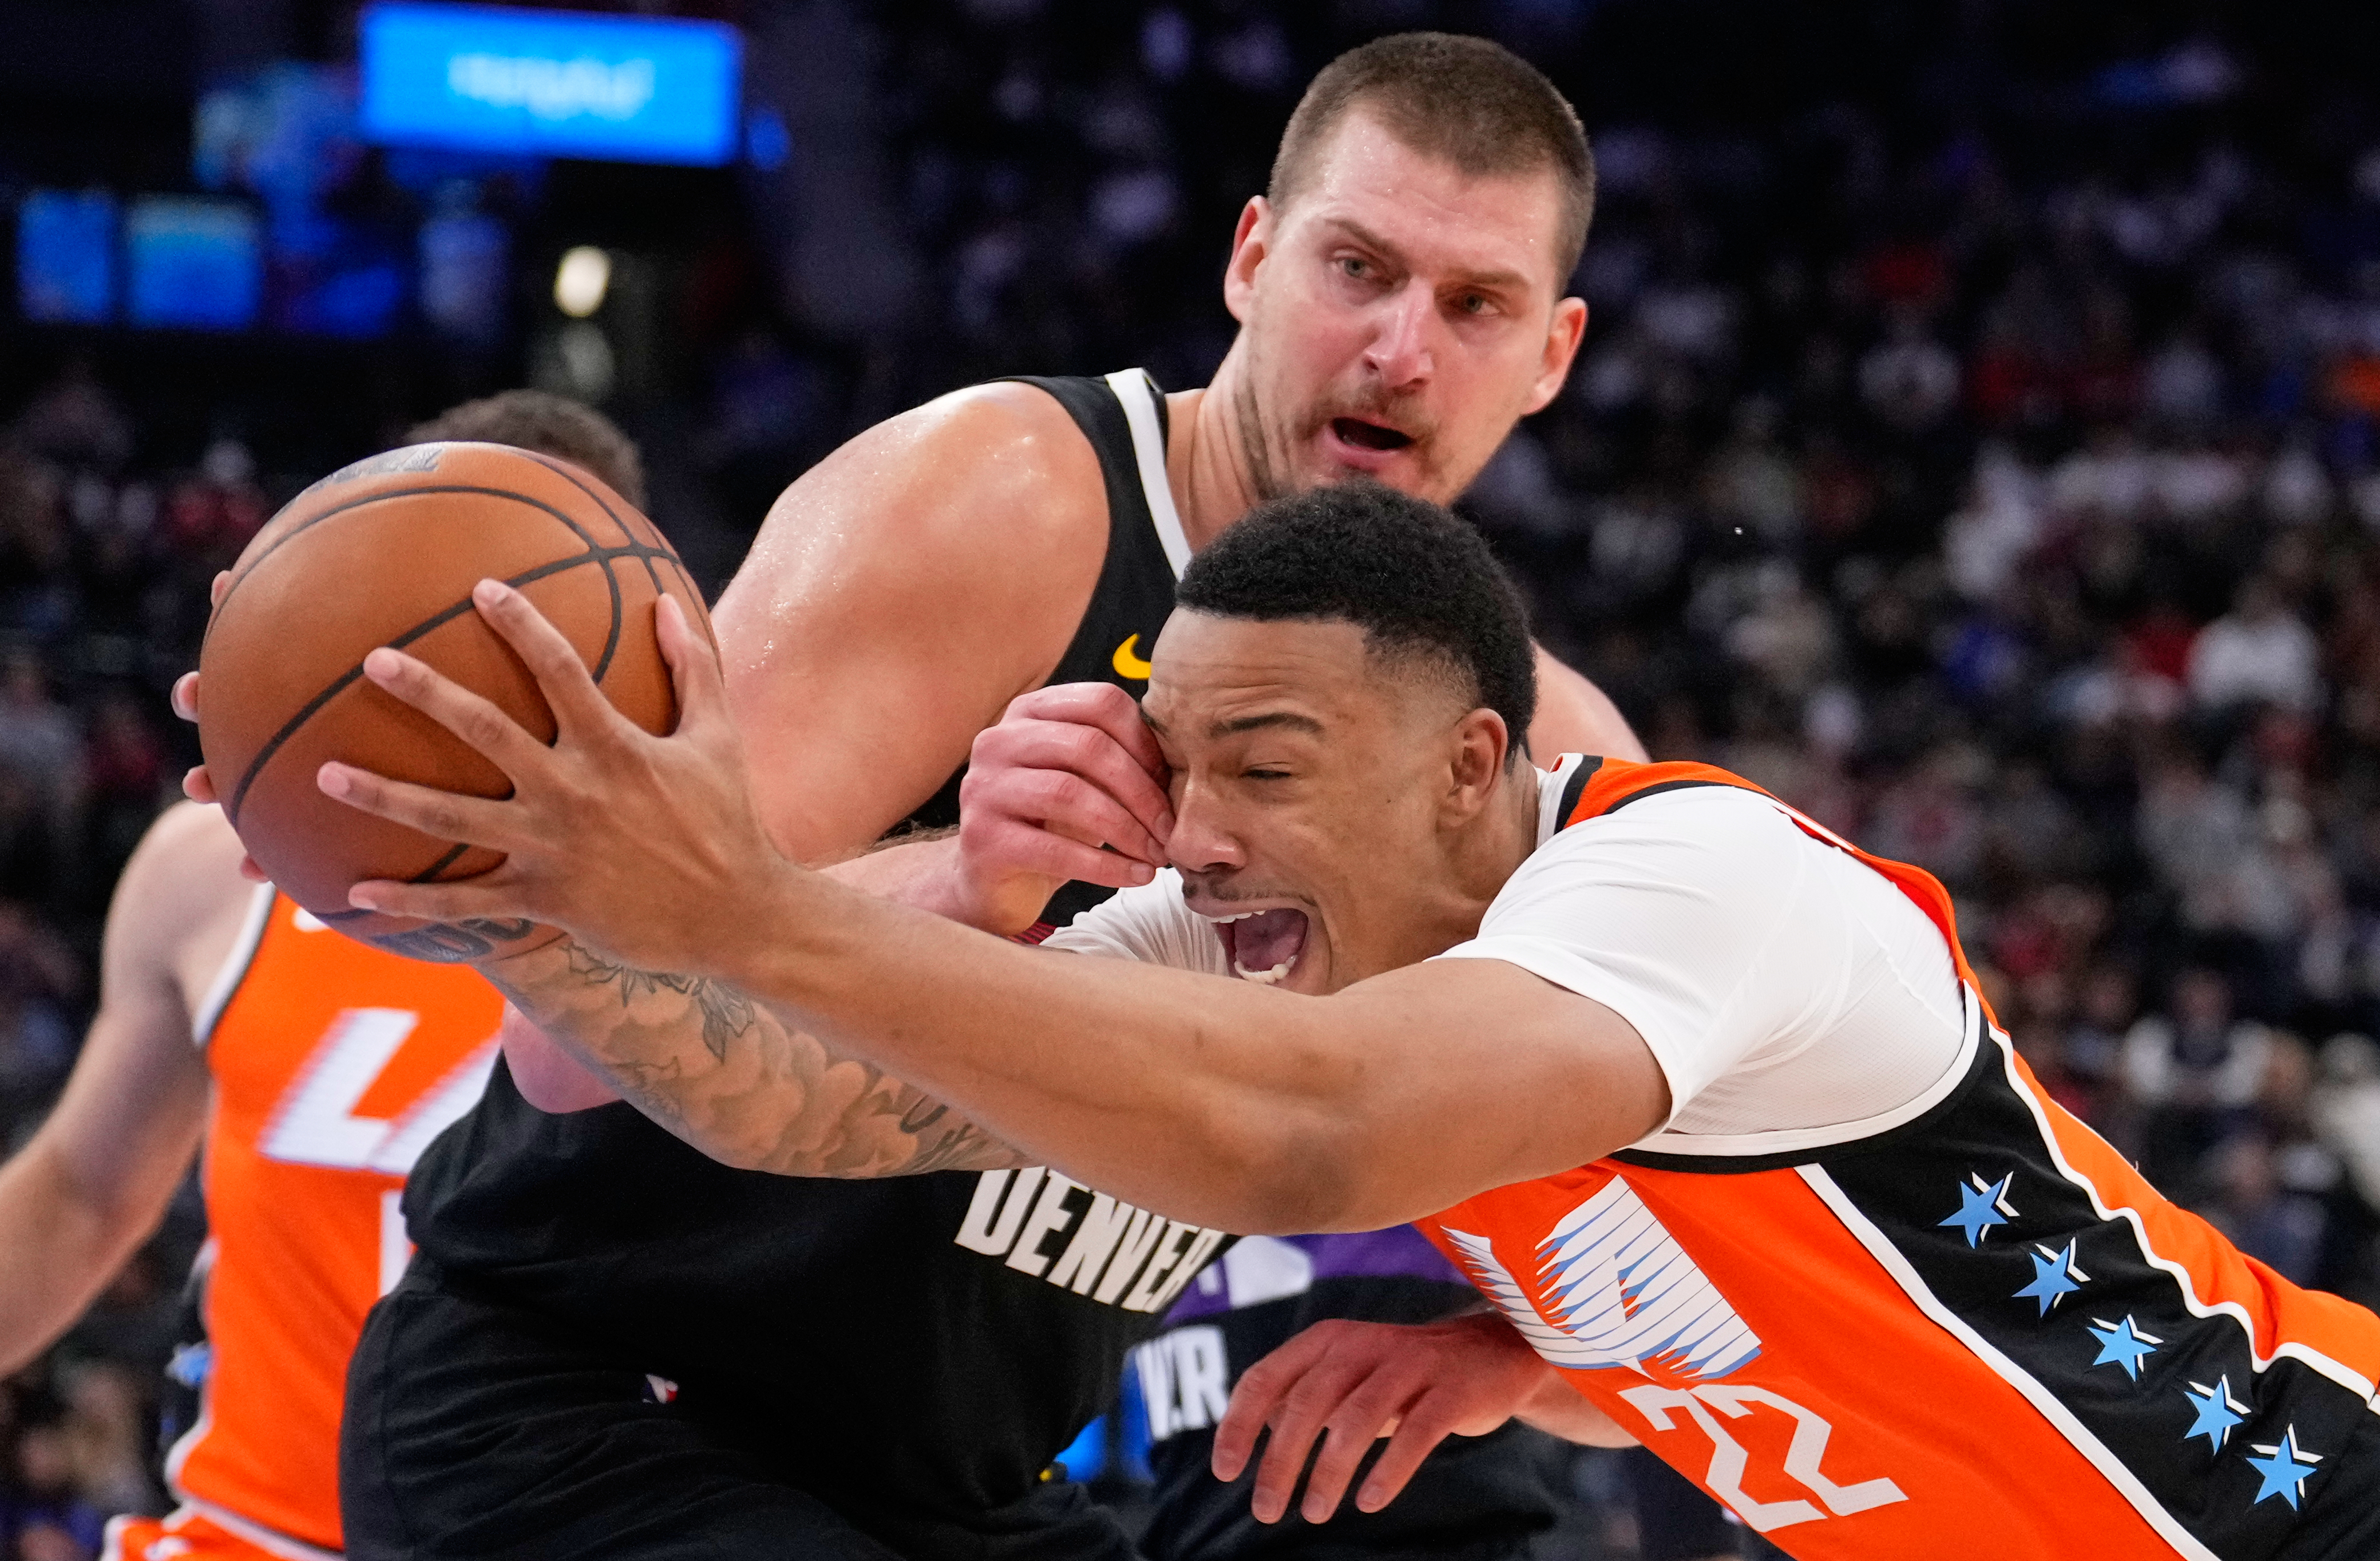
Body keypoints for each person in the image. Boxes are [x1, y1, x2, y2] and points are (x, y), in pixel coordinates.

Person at [181, 32, 1646, 1561]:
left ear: (1553, 353)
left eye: (1475, 305)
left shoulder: (1539, 758)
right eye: (1358, 269)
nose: (1401, 349)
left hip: (958, 1488)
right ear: (1251, 261)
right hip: (600, 1402)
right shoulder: (1005, 501)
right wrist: (960, 884)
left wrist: (1507, 1361)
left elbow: (1707, 1269)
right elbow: (568, 1039)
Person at [318, 484, 2380, 1560]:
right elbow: (811, 1105)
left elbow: (1312, 1138)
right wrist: (530, 906)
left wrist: (756, 904)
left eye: (1269, 767)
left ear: (1472, 765)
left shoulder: (1694, 878)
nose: (1198, 832)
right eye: (1179, 762)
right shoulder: (1269, 940)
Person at [0, 392, 641, 1561]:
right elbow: (80, 1197)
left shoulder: (724, 905)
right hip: (251, 1535)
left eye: (522, 599)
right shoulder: (215, 868)